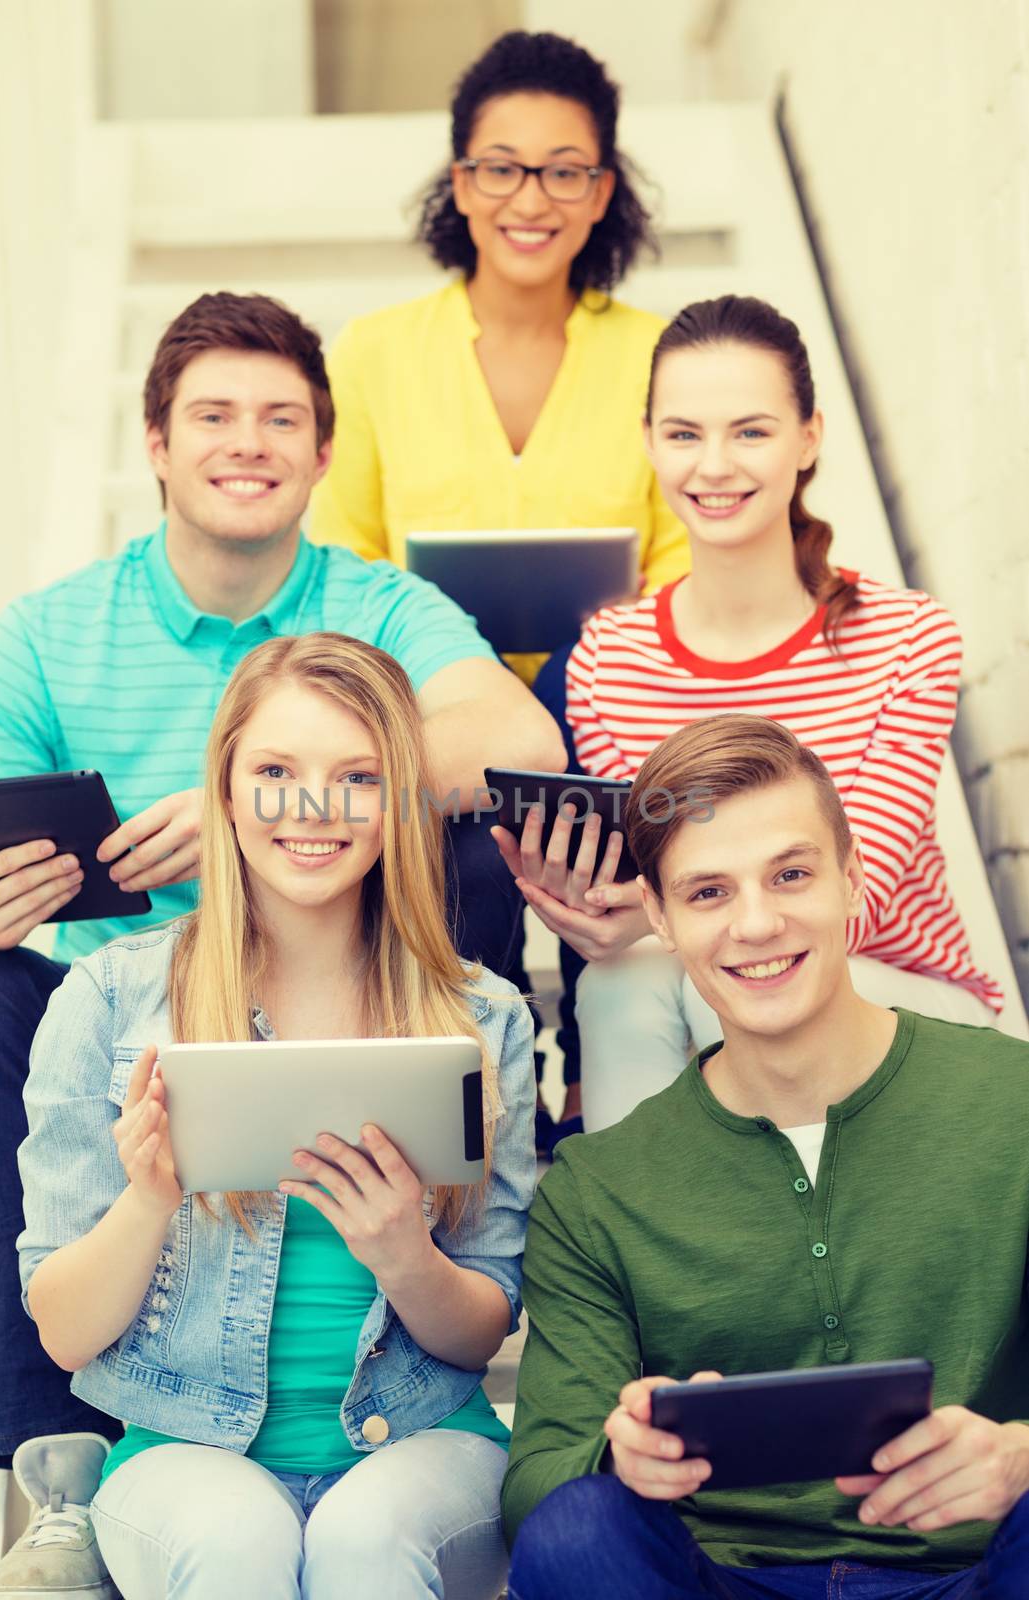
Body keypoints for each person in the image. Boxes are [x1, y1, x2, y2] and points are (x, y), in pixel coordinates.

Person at [0, 292, 561, 1589]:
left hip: (366, 967)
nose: (247, 441)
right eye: (213, 414)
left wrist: (277, 802)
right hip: (147, 1000)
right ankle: (52, 1452)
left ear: (326, 455)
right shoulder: (52, 630)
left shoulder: (378, 604)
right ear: (155, 441)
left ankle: (417, 1015)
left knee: (472, 847)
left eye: (281, 416)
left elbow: (521, 747)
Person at [10, 633, 536, 1600]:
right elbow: (62, 1334)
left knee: (366, 1545)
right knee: (238, 1542)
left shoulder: (483, 1015)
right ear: (225, 791)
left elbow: (482, 1328)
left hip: (422, 1436)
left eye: (357, 775)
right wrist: (148, 1200)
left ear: (397, 803)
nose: (313, 808)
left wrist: (402, 1255)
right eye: (276, 771)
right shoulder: (109, 997)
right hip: (184, 1446)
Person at [503, 714, 1029, 1599]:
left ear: (852, 882)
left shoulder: (1010, 1098)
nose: (757, 922)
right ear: (660, 919)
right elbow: (533, 1488)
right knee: (576, 1531)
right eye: (707, 893)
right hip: (725, 1580)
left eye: (790, 875)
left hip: (978, 1571)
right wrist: (618, 1455)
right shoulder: (597, 1189)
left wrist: (1018, 1456)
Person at [492, 294, 1001, 1133]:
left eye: (750, 432)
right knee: (624, 981)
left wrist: (662, 923)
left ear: (808, 438)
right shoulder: (609, 657)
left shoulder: (909, 637)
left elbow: (847, 898)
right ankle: (650, 1247)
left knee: (703, 976)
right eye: (684, 434)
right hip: (711, 982)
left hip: (903, 1000)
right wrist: (603, 911)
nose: (714, 466)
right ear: (649, 441)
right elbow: (653, 880)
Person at [310, 29, 691, 1132]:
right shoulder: (374, 356)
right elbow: (342, 569)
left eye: (564, 168)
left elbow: (681, 567)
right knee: (471, 861)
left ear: (602, 188)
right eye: (500, 165)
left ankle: (598, 1105)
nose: (532, 196)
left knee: (598, 782)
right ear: (459, 181)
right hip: (440, 730)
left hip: (610, 724)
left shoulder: (657, 355)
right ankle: (483, 1119)